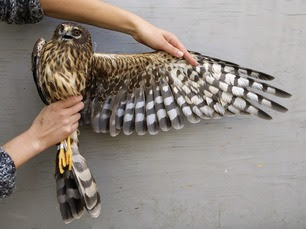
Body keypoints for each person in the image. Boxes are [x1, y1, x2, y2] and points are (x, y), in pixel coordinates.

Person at [0, 0, 197, 198]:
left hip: (64, 119)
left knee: (171, 64)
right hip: (47, 129)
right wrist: (35, 139)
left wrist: (137, 26)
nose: (66, 35)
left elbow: (24, 3)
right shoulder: (44, 49)